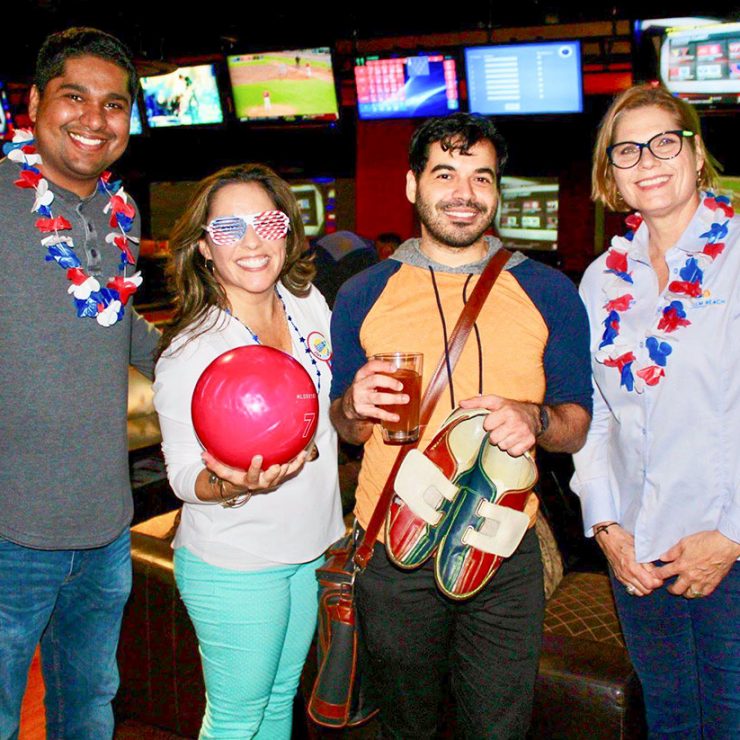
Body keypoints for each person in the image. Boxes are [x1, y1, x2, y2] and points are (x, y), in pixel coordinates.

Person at [329, 112, 592, 739]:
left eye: (482, 177)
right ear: (413, 186)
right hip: (392, 546)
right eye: (445, 174)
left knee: (499, 727)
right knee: (406, 725)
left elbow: (576, 426)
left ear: (498, 192)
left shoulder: (550, 292)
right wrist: (352, 406)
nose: (464, 193)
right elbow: (343, 426)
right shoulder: (363, 292)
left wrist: (536, 418)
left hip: (503, 546)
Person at [0, 27, 158, 739]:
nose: (95, 120)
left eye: (114, 103)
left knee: (89, 710)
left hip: (104, 528)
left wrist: (238, 368)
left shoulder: (117, 216)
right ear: (34, 103)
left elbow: (120, 328)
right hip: (9, 530)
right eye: (75, 97)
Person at [152, 163, 344, 739]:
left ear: (288, 232)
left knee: (281, 701)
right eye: (229, 228)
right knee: (236, 720)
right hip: (235, 561)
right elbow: (184, 476)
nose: (253, 241)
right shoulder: (193, 349)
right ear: (205, 249)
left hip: (313, 546)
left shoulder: (309, 303)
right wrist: (234, 483)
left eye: (267, 221)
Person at [572, 84, 740, 737]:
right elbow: (595, 414)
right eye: (628, 150)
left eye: (665, 141)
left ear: (697, 155)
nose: (649, 160)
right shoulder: (603, 279)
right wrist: (608, 528)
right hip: (640, 558)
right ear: (610, 176)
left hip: (729, 548)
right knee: (669, 722)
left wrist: (731, 537)